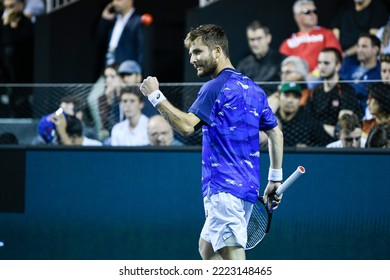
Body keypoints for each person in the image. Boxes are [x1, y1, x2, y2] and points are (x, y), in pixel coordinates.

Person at [140, 24, 284, 260]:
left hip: (224, 191)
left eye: (198, 52)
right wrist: (274, 179)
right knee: (207, 250)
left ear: (217, 51)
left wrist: (155, 96)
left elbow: (186, 126)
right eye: (190, 54)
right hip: (246, 189)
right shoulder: (255, 90)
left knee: (234, 265)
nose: (192, 59)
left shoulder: (214, 87)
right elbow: (276, 134)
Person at [306, 47, 363, 137]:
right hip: (314, 140)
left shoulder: (346, 90)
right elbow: (307, 121)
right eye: (319, 63)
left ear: (338, 66)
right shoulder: (314, 93)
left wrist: (318, 127)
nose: (321, 67)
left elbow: (342, 128)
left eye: (326, 63)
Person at [279, 0, 342, 74]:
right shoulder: (287, 43)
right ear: (297, 16)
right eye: (307, 12)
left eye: (315, 11)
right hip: (297, 80)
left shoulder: (327, 34)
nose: (313, 15)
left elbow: (335, 59)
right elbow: (283, 68)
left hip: (321, 77)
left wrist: (315, 75)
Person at [0, 0, 34, 118]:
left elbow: (12, 43)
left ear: (21, 5)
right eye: (6, 8)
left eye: (11, 6)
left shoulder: (27, 25)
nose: (8, 11)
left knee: (20, 107)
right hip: (5, 76)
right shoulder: (3, 24)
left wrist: (9, 26)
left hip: (22, 78)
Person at [275, 82, 331, 147]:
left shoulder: (308, 120)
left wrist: (309, 148)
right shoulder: (271, 117)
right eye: (287, 95)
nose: (290, 100)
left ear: (300, 100)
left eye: (295, 97)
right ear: (279, 97)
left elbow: (327, 143)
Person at [339, 33, 381, 115]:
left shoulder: (380, 72)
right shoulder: (348, 65)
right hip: (341, 107)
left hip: (364, 112)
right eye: (358, 46)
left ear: (375, 50)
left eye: (364, 46)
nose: (359, 50)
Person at [236, 20, 285, 89]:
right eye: (252, 39)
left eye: (259, 38)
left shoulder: (282, 61)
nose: (255, 44)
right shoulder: (243, 65)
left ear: (268, 38)